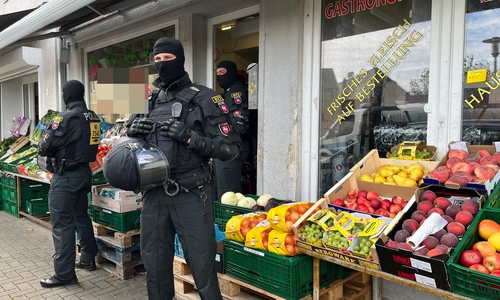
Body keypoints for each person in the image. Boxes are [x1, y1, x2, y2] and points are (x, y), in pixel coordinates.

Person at [126, 37, 241, 300]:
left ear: (180, 60)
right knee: (154, 267)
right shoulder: (147, 100)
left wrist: (192, 138)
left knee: (203, 269)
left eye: (167, 58)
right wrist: (132, 132)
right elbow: (129, 146)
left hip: (192, 194)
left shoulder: (205, 98)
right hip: (154, 195)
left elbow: (231, 148)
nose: (162, 64)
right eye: (157, 59)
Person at [38, 80, 100, 288]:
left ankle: (64, 274)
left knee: (62, 224)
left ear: (66, 95)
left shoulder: (64, 118)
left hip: (65, 177)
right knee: (81, 216)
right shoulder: (93, 117)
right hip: (84, 173)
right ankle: (88, 258)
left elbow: (44, 147)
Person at [213, 60, 251, 199]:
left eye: (222, 72)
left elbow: (239, 124)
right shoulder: (228, 91)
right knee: (223, 191)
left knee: (227, 193)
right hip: (228, 147)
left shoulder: (236, 92)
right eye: (217, 73)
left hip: (233, 147)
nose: (219, 76)